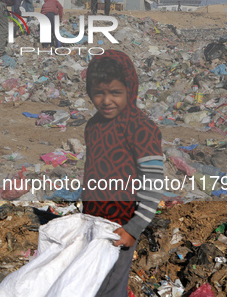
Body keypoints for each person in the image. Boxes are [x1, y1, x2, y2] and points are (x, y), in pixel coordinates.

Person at [82, 50, 164, 296]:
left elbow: (153, 185)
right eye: (99, 93)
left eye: (115, 93)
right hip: (93, 219)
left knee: (111, 285)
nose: (106, 101)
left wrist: (134, 228)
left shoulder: (142, 129)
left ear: (130, 90)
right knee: (91, 281)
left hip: (122, 224)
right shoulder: (93, 126)